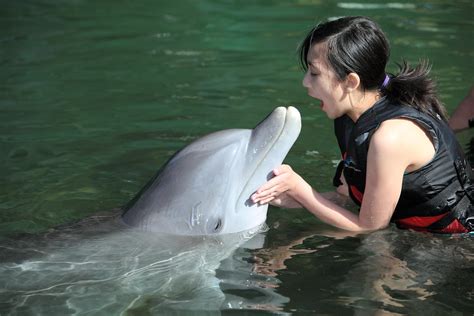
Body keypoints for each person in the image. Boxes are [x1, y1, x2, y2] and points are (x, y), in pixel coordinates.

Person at [251, 16, 473, 234]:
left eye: (315, 73)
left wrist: (302, 191)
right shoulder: (350, 116)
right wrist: (295, 198)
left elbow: (370, 227)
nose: (305, 82)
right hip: (418, 232)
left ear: (351, 82)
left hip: (459, 243)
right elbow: (352, 200)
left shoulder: (391, 137)